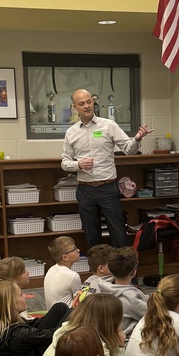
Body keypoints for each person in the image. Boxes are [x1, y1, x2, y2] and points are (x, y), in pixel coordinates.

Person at [61, 87, 153, 249]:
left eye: (89, 102)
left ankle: (125, 273)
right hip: (85, 191)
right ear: (75, 108)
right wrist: (78, 165)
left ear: (93, 102)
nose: (86, 106)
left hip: (108, 189)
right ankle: (99, 273)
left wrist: (137, 139)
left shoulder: (109, 125)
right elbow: (65, 162)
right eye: (81, 103)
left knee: (118, 234)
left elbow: (129, 150)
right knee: (92, 237)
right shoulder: (71, 132)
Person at [0, 256, 66, 338]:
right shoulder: (11, 304)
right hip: (12, 342)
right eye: (23, 272)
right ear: (13, 280)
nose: (28, 272)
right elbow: (24, 330)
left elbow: (26, 322)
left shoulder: (4, 298)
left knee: (60, 308)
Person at [70, 243, 114, 308]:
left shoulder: (87, 282)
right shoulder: (105, 287)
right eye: (112, 263)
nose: (116, 265)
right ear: (101, 268)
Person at [43, 236, 82, 308]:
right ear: (65, 257)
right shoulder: (73, 276)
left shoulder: (51, 269)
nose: (78, 250)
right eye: (74, 249)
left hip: (52, 314)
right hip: (66, 317)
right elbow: (79, 302)